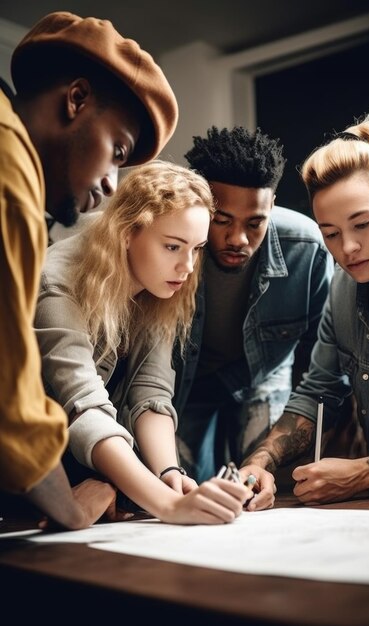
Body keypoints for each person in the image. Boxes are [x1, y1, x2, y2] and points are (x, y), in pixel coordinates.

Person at [0, 11, 178, 529]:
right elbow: (11, 397)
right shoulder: (11, 176)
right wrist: (72, 511)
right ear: (75, 99)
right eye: (116, 151)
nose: (109, 184)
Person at [34, 160, 250, 525]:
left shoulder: (159, 281)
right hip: (27, 481)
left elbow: (151, 391)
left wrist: (169, 473)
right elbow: (85, 407)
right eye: (172, 247)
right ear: (127, 233)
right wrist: (168, 506)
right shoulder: (56, 284)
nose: (188, 266)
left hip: (94, 477)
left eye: (197, 249)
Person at [241, 112, 369, 507]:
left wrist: (362, 473)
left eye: (362, 224)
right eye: (331, 233)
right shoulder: (342, 290)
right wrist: (260, 461)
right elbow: (317, 393)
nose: (348, 248)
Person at [173, 126, 334, 485]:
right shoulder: (168, 245)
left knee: (263, 483)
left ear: (272, 206)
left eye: (255, 222)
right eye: (221, 220)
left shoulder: (307, 249)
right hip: (185, 380)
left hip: (261, 376)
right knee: (180, 485)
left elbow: (320, 355)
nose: (238, 239)